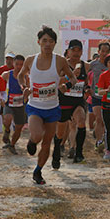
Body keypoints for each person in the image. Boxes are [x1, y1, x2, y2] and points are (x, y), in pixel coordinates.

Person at [18, 26, 77, 185]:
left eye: (51, 41)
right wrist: (24, 88)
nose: (47, 44)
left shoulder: (60, 61)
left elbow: (73, 79)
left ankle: (38, 171)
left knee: (47, 142)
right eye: (44, 40)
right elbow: (20, 75)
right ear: (38, 42)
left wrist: (67, 87)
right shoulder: (31, 60)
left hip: (52, 108)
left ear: (55, 43)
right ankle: (31, 141)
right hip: (35, 106)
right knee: (37, 136)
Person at [53, 39, 91, 167]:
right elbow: (57, 81)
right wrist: (70, 76)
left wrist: (87, 89)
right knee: (60, 132)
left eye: (78, 50)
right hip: (64, 101)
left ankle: (79, 153)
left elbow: (85, 83)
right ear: (68, 51)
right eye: (73, 50)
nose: (75, 53)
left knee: (81, 120)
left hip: (78, 100)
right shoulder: (63, 64)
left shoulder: (85, 66)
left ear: (82, 52)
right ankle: (56, 152)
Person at [1, 55, 28, 155]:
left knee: (19, 127)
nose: (19, 67)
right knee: (7, 119)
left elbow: (29, 89)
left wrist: (26, 93)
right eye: (17, 64)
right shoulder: (7, 74)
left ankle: (12, 144)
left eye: (21, 65)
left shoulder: (26, 77)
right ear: (13, 64)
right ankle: (7, 131)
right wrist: (1, 97)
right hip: (9, 103)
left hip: (21, 105)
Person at [89, 42, 110, 152]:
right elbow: (83, 76)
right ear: (98, 52)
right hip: (96, 96)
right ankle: (99, 141)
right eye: (102, 51)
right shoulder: (93, 64)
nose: (104, 53)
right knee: (99, 118)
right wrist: (87, 88)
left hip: (108, 96)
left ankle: (103, 137)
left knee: (104, 121)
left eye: (107, 51)